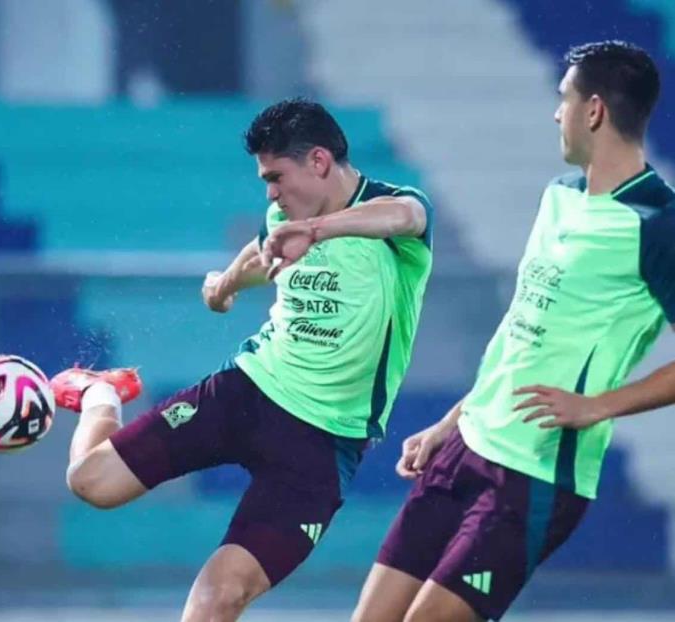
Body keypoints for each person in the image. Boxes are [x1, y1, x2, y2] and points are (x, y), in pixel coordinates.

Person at [50, 98, 435, 622]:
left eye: (276, 176)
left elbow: (408, 216)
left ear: (319, 161)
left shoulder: (394, 212)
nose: (271, 193)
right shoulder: (284, 214)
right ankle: (100, 392)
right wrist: (224, 285)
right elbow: (265, 253)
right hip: (246, 392)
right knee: (89, 483)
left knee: (219, 597)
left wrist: (318, 231)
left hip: (322, 446)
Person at [352, 40, 675, 622]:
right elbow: (522, 333)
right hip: (464, 445)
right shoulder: (558, 197)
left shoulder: (657, 225)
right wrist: (449, 423)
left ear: (594, 110)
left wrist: (598, 405)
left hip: (535, 475)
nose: (557, 113)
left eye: (565, 100)